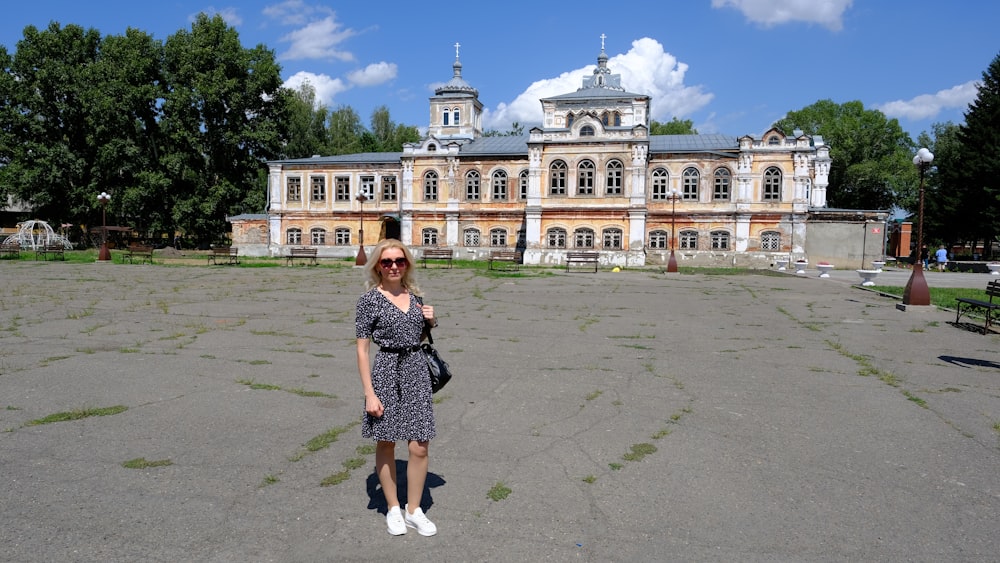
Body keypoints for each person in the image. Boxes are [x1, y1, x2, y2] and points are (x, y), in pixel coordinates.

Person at [355, 239, 439, 537]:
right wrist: (370, 393)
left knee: (419, 444)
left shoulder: (415, 296)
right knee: (387, 441)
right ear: (378, 265)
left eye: (399, 261)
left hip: (416, 370)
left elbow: (424, 332)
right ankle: (393, 507)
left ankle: (414, 510)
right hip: (387, 371)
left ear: (407, 264)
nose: (393, 266)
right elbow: (363, 350)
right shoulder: (369, 301)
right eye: (387, 262)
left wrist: (432, 319)